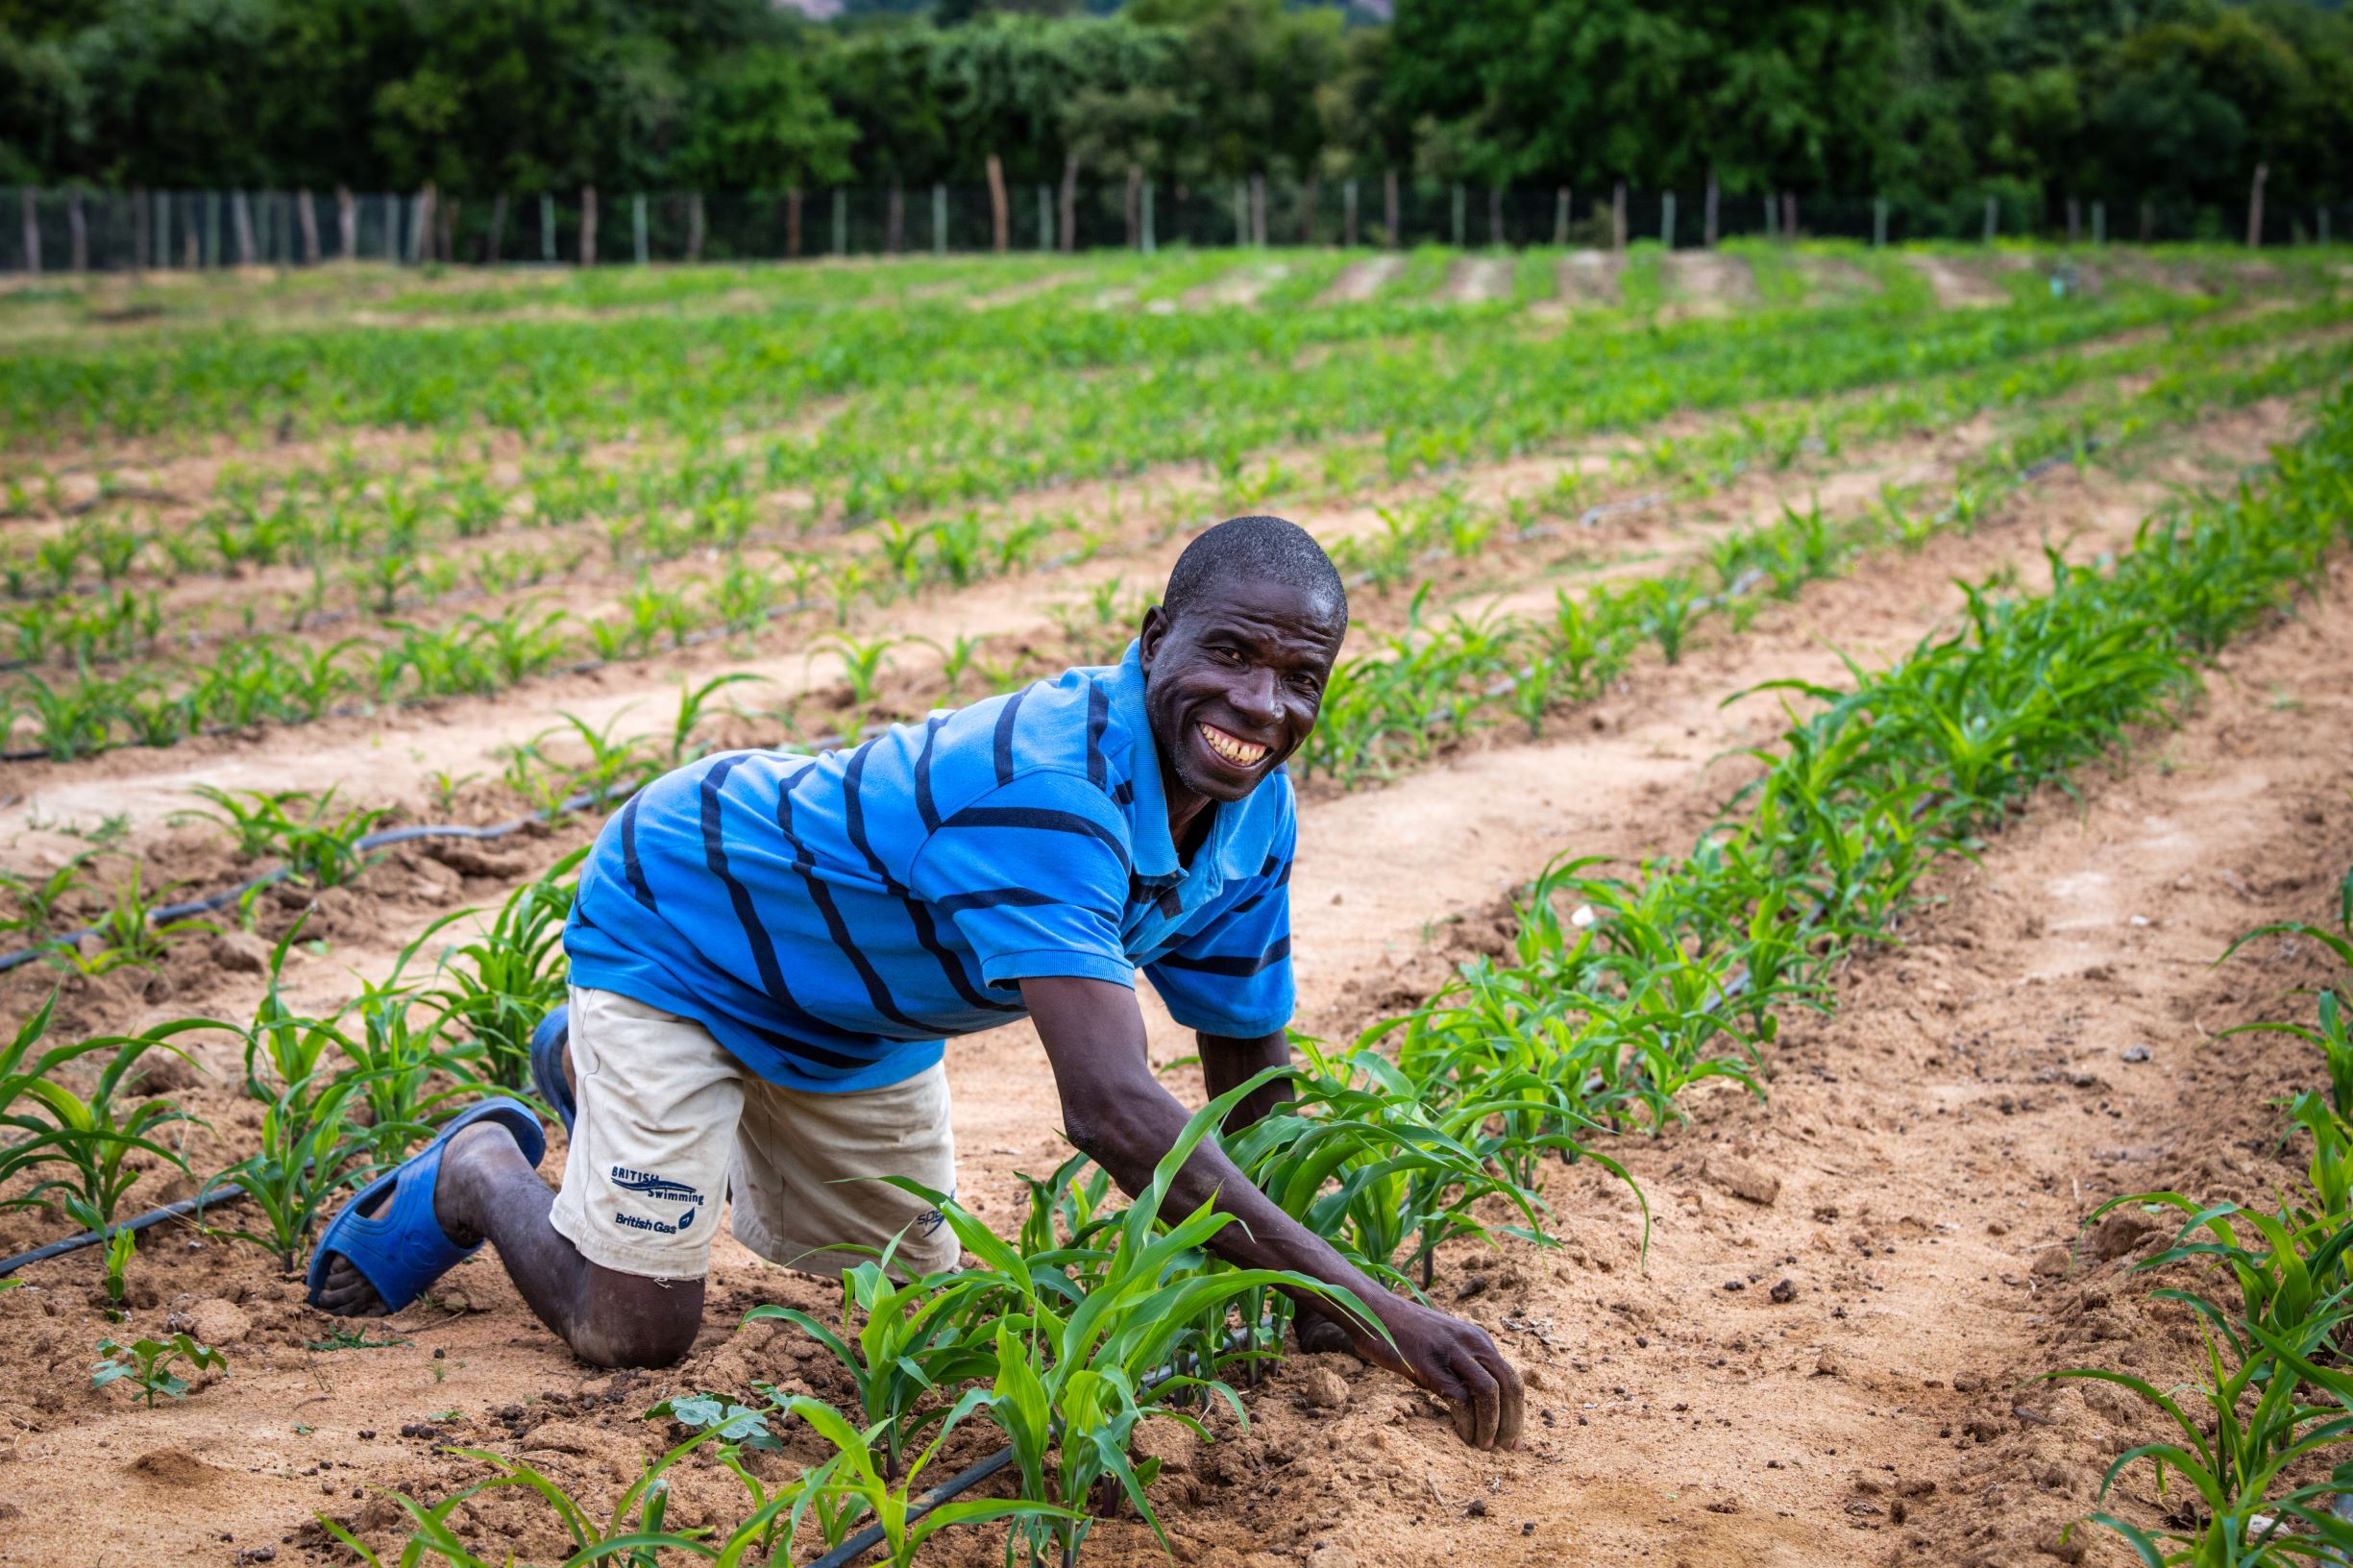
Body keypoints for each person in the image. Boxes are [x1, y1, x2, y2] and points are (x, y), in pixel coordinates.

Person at [309, 514, 1523, 1450]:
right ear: (1154, 639)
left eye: (1298, 676)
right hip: (688, 930)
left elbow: (1242, 1062)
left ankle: (596, 1075)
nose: (1260, 704)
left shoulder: (1248, 814)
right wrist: (1375, 1306)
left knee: (912, 1320)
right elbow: (1111, 1110)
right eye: (1232, 654)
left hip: (852, 1018)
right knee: (636, 1332)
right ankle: (481, 1168)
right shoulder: (1047, 792)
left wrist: (1317, 1285)